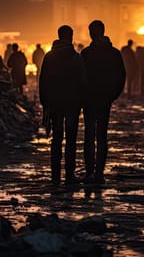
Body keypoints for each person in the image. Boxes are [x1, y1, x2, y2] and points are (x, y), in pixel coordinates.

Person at [39, 25, 86, 185]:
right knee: (71, 139)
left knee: (56, 138)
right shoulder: (76, 58)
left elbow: (43, 82)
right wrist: (81, 102)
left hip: (54, 103)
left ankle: (55, 174)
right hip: (72, 104)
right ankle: (70, 174)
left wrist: (45, 104)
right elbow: (82, 83)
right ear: (70, 37)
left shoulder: (49, 57)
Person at [81, 20, 126, 184]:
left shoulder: (86, 53)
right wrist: (113, 94)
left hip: (91, 99)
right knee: (100, 136)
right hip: (103, 99)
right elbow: (121, 75)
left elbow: (80, 78)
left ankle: (90, 171)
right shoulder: (113, 53)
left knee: (90, 135)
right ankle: (98, 171)